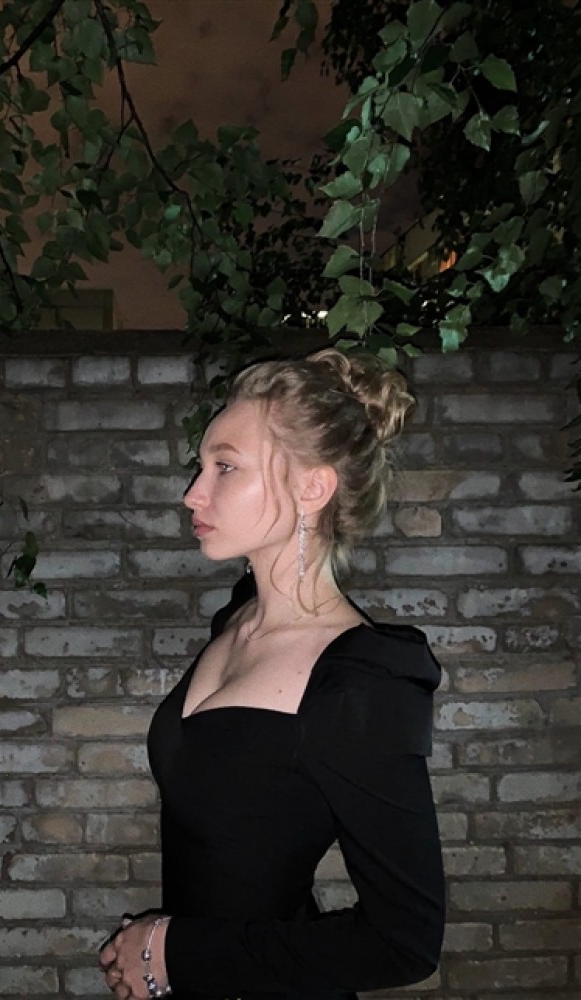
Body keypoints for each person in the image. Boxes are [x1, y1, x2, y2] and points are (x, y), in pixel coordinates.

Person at [99, 348, 446, 1000]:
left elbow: (404, 941)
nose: (192, 493)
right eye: (201, 466)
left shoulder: (360, 683)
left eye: (225, 467)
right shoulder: (237, 620)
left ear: (312, 488)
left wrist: (178, 952)